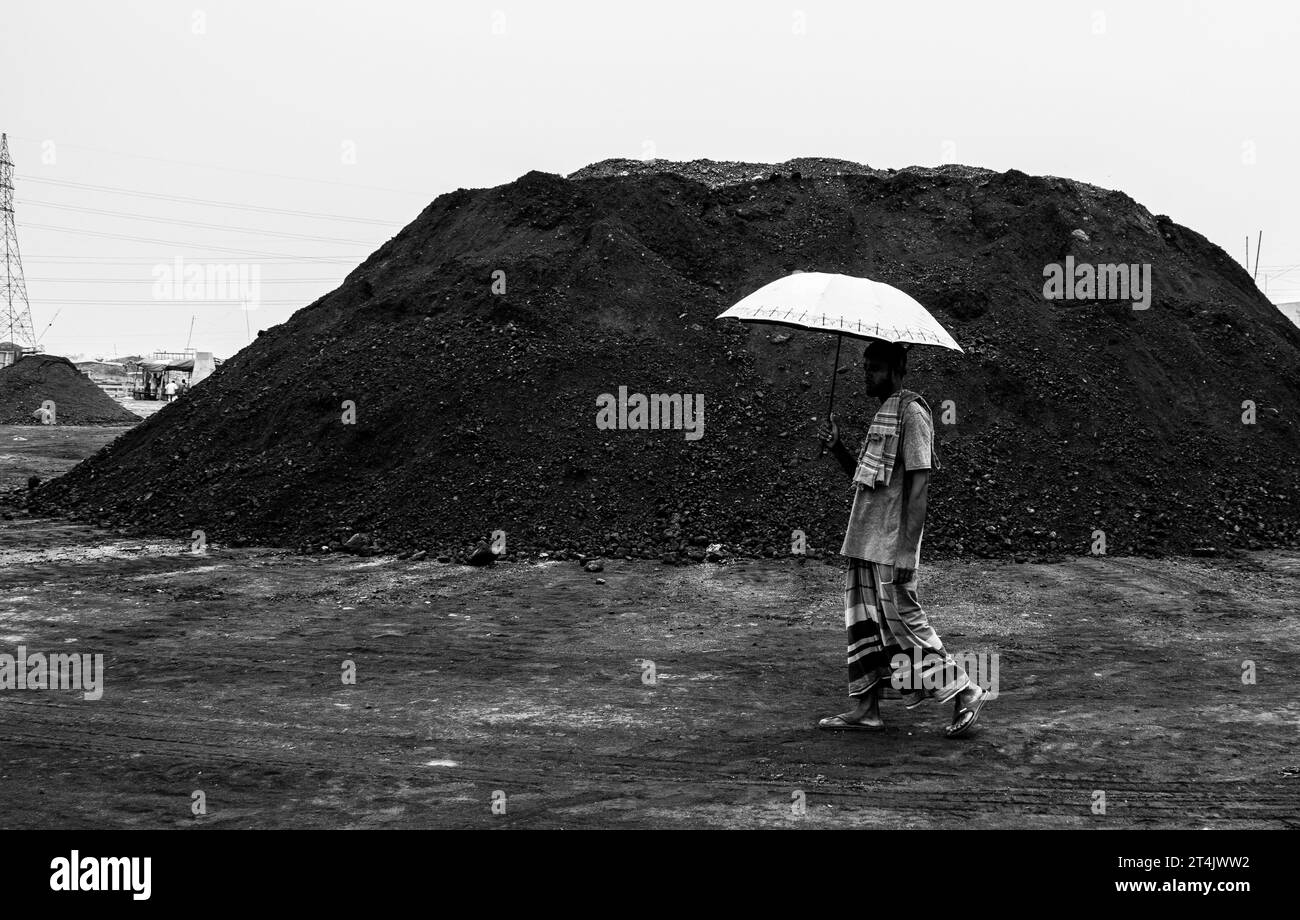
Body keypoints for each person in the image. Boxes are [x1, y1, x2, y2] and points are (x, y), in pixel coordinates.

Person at [815, 339, 989, 738]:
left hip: (891, 546)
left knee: (905, 624)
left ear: (895, 368)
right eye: (865, 366)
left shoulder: (912, 415)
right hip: (863, 541)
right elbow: (865, 479)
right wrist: (837, 445)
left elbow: (919, 486)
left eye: (873, 367)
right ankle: (867, 709)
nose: (866, 374)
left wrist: (908, 550)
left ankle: (967, 690)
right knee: (865, 627)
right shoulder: (884, 415)